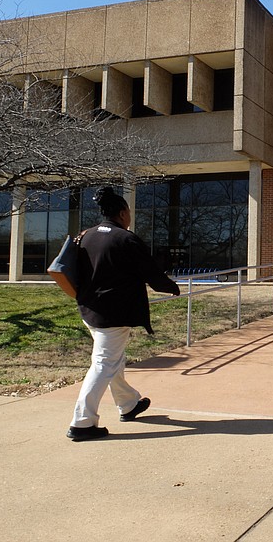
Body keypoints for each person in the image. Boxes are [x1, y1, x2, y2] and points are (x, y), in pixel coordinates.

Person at [67, 186, 180, 442]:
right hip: (114, 314)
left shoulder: (86, 236)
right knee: (104, 363)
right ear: (121, 213)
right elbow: (150, 272)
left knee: (112, 360)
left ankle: (128, 404)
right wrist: (170, 288)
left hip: (89, 311)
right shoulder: (125, 238)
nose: (130, 216)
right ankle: (82, 423)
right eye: (128, 211)